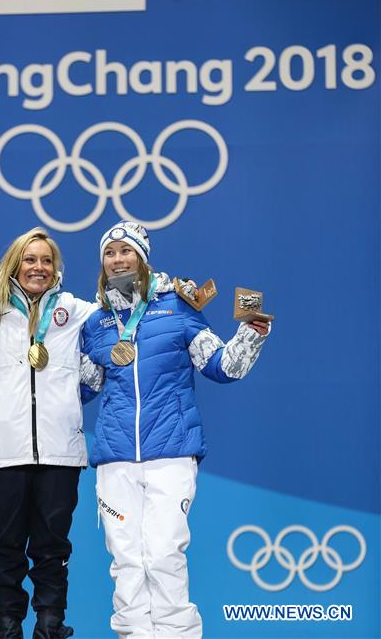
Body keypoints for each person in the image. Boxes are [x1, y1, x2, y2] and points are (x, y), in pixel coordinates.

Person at [81, 221, 272, 639]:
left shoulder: (178, 309)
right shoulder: (95, 324)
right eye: (109, 253)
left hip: (171, 452)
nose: (118, 259)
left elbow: (222, 367)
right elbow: (82, 389)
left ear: (143, 258)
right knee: (127, 560)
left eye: (126, 251)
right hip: (115, 458)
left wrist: (250, 334)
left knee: (165, 555)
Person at [0, 227, 102, 639]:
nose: (39, 268)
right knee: (5, 548)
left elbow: (121, 308)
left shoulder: (74, 310)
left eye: (47, 260)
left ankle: (50, 624)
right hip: (4, 453)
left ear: (56, 268)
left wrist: (167, 286)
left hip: (60, 453)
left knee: (52, 549)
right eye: (30, 259)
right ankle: (5, 626)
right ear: (15, 264)